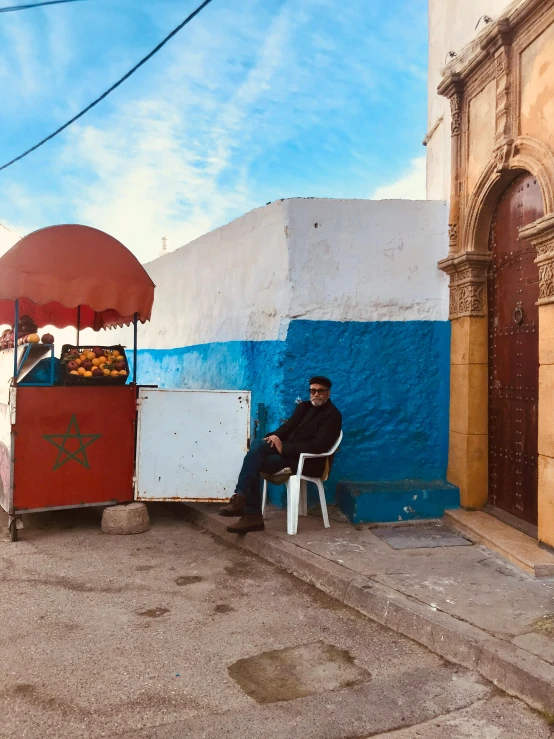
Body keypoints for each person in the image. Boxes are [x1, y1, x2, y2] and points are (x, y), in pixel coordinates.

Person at [219, 376, 342, 534]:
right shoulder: (304, 407)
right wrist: (274, 436)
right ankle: (242, 500)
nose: (316, 394)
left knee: (253, 461)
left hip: (305, 461)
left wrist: (284, 448)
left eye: (320, 391)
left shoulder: (333, 416)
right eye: (313, 390)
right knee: (258, 445)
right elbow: (287, 427)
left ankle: (250, 512)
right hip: (286, 454)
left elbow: (319, 446)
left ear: (328, 393)